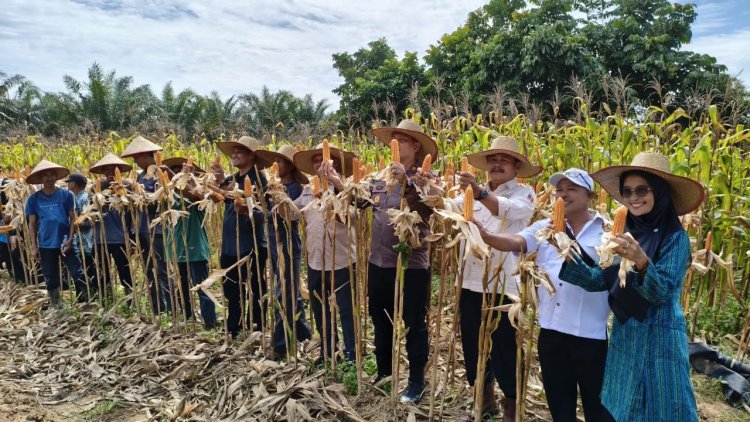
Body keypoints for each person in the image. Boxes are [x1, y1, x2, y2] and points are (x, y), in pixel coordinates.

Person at [558, 152, 702, 421]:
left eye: (642, 190)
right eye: (627, 191)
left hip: (659, 337)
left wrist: (641, 260)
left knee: (661, 407)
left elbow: (662, 292)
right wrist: (567, 252)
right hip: (626, 335)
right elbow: (600, 279)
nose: (633, 197)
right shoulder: (623, 233)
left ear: (660, 192)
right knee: (624, 404)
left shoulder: (675, 238)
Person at [477, 168, 610, 422]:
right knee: (560, 408)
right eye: (560, 190)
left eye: (572, 189)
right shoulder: (543, 227)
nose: (563, 195)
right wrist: (487, 236)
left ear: (590, 195)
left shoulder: (605, 232)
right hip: (552, 332)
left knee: (597, 409)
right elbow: (517, 242)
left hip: (590, 336)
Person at [437, 136, 540, 421]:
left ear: (516, 167)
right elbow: (448, 205)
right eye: (493, 160)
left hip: (504, 285)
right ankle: (484, 396)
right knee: (473, 344)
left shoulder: (524, 194)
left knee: (505, 347)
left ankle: (512, 402)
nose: (497, 164)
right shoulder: (471, 195)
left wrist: (479, 192)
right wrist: (425, 188)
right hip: (470, 281)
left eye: (504, 160)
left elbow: (505, 208)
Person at [367, 119, 438, 404]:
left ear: (416, 146)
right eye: (393, 138)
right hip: (378, 262)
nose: (394, 143)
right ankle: (384, 373)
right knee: (380, 320)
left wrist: (408, 184)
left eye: (402, 139)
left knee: (414, 324)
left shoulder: (426, 179)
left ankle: (416, 382)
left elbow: (428, 211)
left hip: (412, 265)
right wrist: (337, 184)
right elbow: (360, 202)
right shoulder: (379, 177)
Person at [292, 142, 358, 364]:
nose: (319, 164)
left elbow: (352, 215)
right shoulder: (307, 190)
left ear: (335, 163)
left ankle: (351, 354)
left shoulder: (347, 188)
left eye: (324, 159)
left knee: (347, 310)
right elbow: (293, 213)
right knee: (320, 310)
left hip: (342, 261)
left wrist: (334, 189)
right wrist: (277, 198)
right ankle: (328, 351)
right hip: (315, 262)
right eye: (316, 161)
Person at [255, 145, 313, 358]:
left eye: (279, 161)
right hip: (274, 243)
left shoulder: (296, 188)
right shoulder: (273, 187)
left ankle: (281, 345)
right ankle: (303, 334)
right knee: (290, 291)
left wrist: (277, 200)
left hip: (287, 245)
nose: (275, 165)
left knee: (284, 293)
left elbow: (288, 215)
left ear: (290, 165)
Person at [211, 136, 271, 338]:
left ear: (251, 156)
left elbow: (266, 211)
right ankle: (234, 326)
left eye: (239, 152)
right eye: (233, 152)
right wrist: (217, 182)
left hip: (251, 244)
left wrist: (246, 209)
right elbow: (220, 197)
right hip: (230, 244)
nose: (234, 155)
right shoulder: (231, 179)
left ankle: (257, 326)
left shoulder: (260, 180)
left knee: (255, 287)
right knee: (231, 288)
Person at [162, 157, 217, 329]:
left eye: (182, 169)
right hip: (175, 245)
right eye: (175, 170)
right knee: (180, 286)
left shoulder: (198, 192)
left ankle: (209, 322)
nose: (179, 172)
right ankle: (187, 317)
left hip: (195, 246)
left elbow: (197, 196)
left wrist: (184, 179)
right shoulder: (168, 193)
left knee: (202, 286)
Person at [24, 160, 87, 306]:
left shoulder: (66, 195)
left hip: (65, 242)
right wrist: (34, 246)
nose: (49, 178)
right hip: (45, 244)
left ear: (56, 177)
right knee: (51, 277)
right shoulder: (33, 199)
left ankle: (84, 303)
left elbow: (73, 218)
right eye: (45, 175)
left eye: (52, 174)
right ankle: (56, 305)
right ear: (40, 178)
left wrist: (70, 239)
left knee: (77, 273)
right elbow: (32, 223)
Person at [121, 136, 171, 314]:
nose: (135, 161)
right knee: (149, 270)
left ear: (146, 155)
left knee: (162, 270)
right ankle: (158, 308)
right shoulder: (141, 176)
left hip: (158, 229)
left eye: (137, 157)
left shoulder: (161, 173)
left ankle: (171, 308)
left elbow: (163, 198)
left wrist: (142, 196)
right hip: (142, 228)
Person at [90, 154, 135, 305]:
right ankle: (106, 300)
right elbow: (90, 211)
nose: (110, 173)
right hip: (100, 238)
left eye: (113, 170)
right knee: (101, 272)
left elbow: (134, 214)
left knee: (125, 271)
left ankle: (130, 300)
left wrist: (132, 237)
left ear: (120, 171)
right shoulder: (95, 188)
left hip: (120, 237)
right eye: (107, 170)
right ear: (103, 172)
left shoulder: (128, 187)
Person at [65, 173, 96, 298]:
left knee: (85, 271)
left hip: (84, 243)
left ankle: (87, 296)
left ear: (75, 184)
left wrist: (74, 225)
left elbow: (89, 222)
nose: (67, 184)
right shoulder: (74, 197)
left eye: (69, 182)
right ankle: (83, 296)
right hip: (78, 242)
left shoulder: (83, 198)